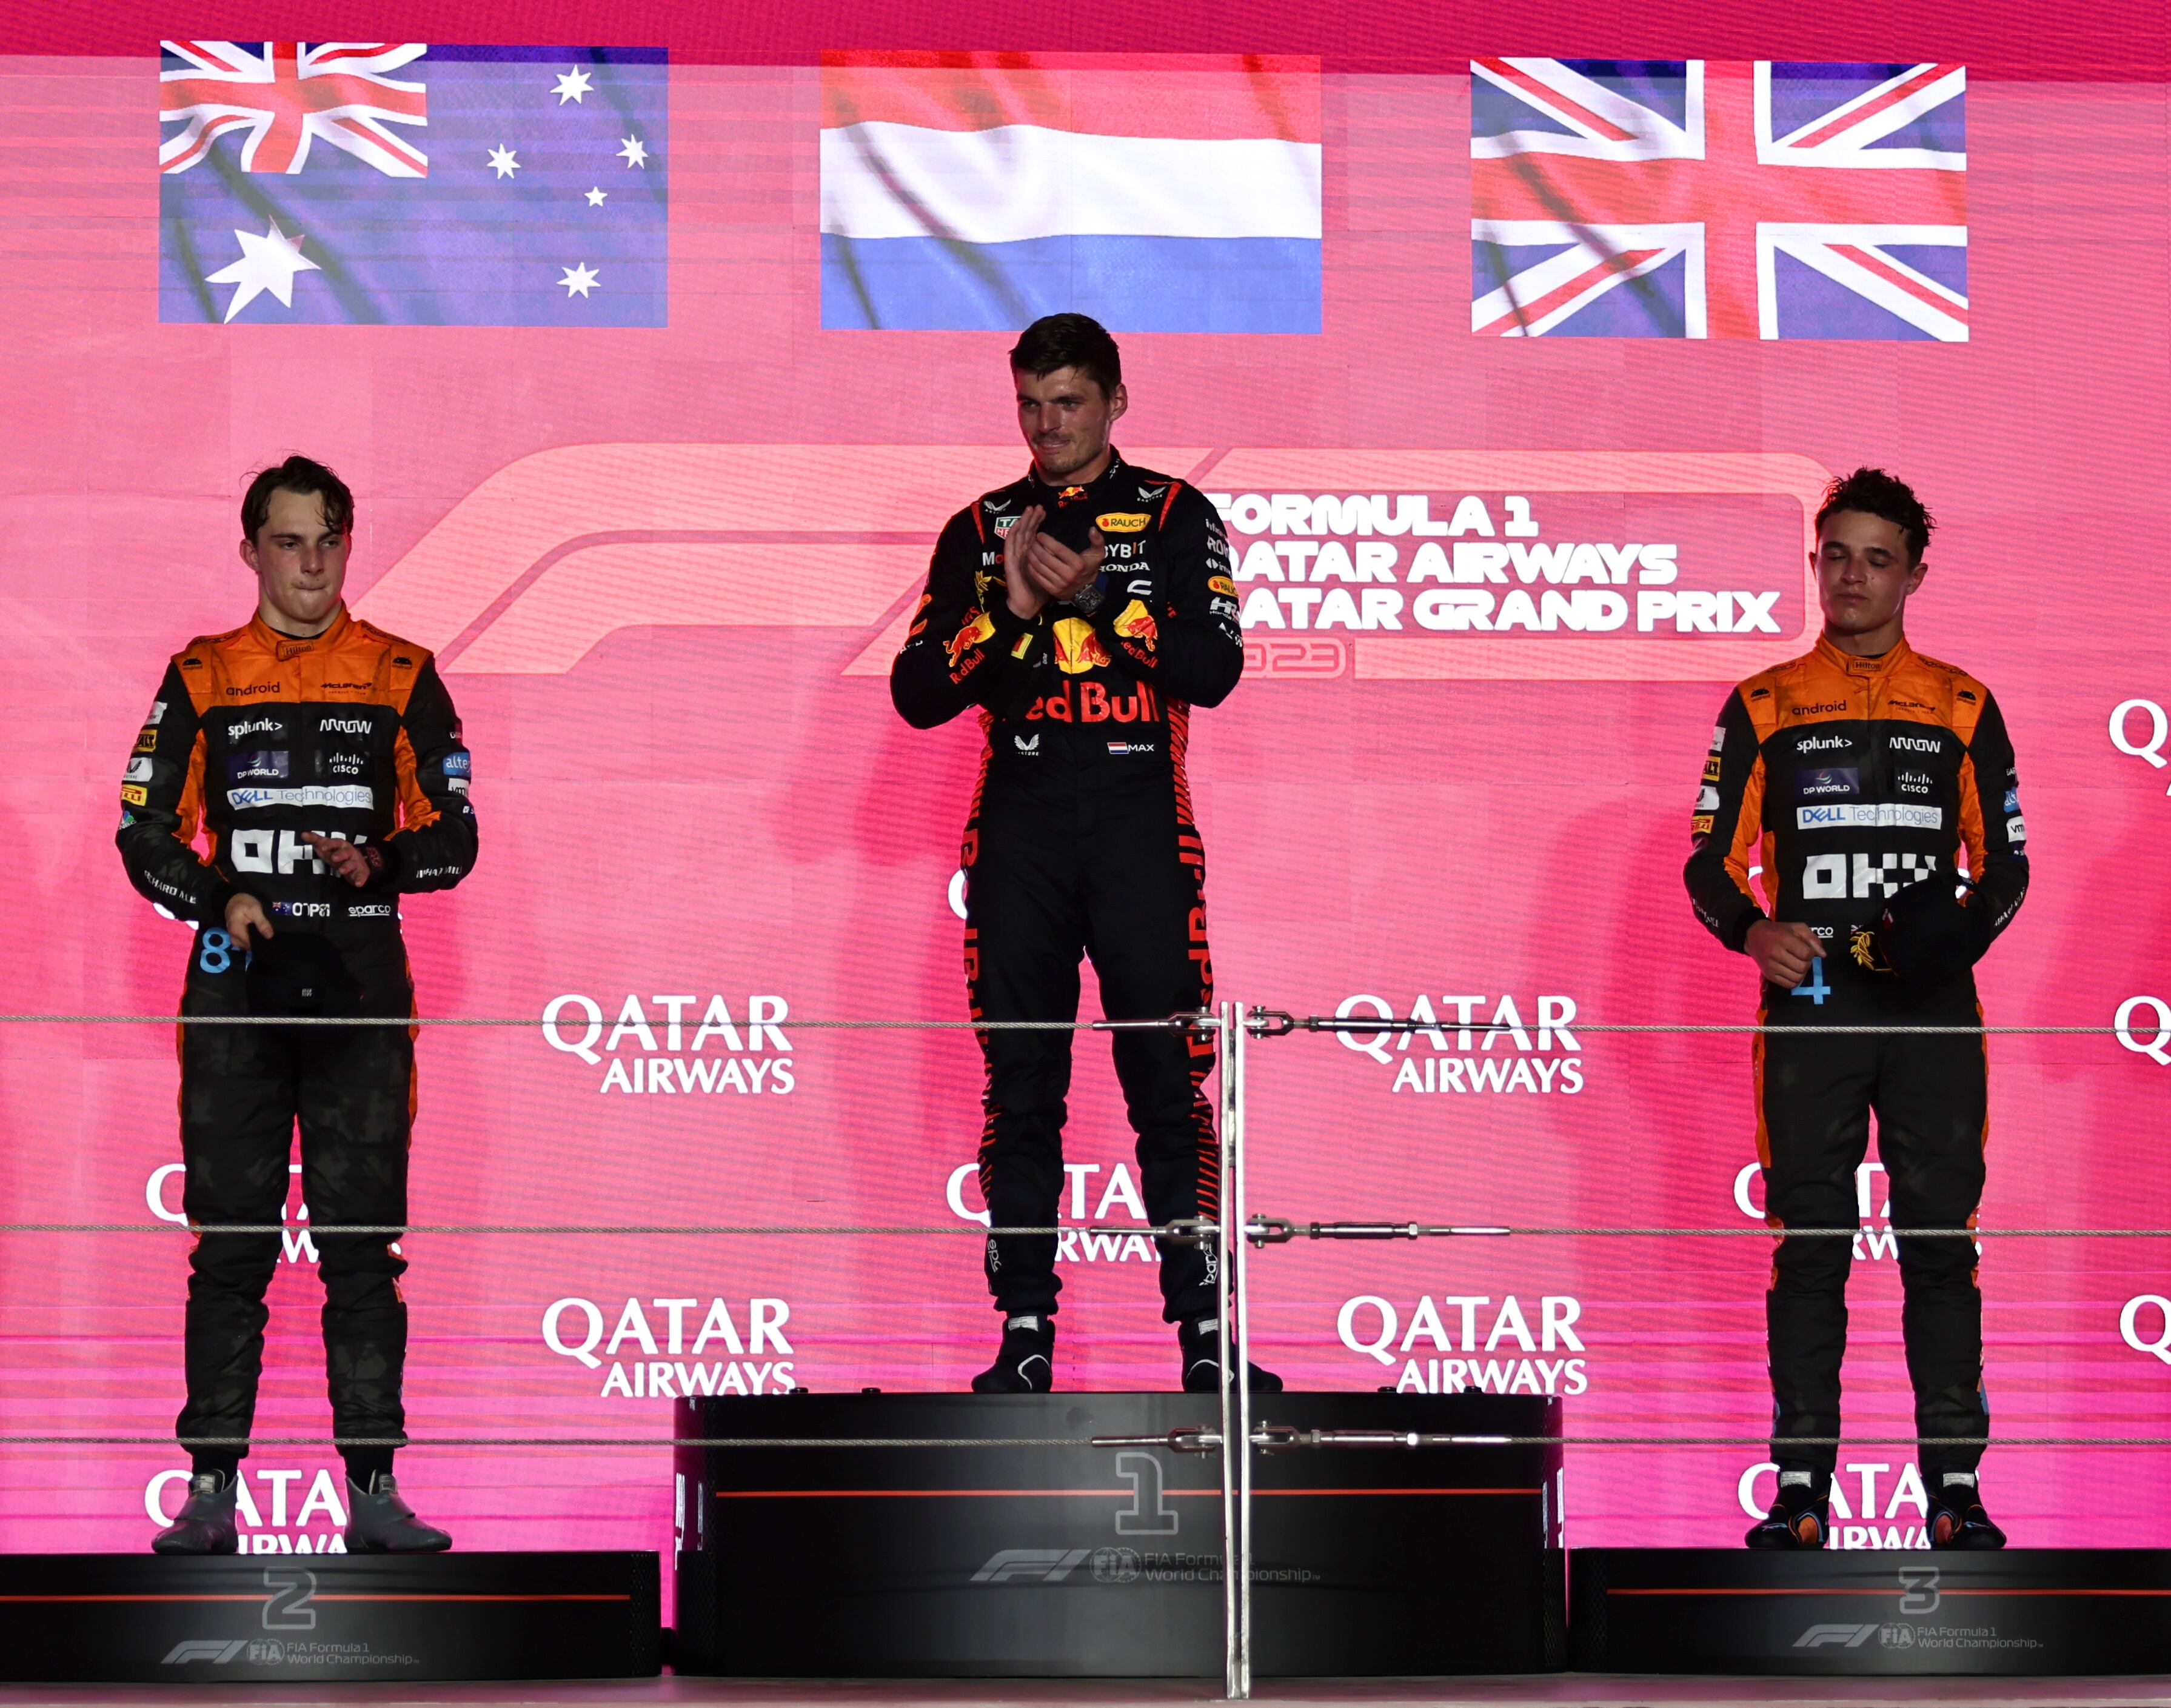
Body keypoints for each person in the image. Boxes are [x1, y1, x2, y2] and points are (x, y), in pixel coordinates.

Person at [891, 313, 1277, 1395]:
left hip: (1139, 828)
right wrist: (1011, 607)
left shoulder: (1170, 512)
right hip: (1015, 829)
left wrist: (1099, 598)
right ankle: (1022, 1338)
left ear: (1114, 401)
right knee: (1022, 1089)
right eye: (1028, 403)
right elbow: (915, 693)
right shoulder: (979, 526)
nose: (1046, 425)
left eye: (1066, 403)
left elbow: (1213, 670)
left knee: (1169, 1084)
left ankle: (1205, 1341)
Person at [118, 456, 477, 1553]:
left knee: (362, 1247)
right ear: (249, 551)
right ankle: (210, 1493)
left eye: (328, 539)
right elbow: (141, 831)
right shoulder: (202, 673)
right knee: (230, 1245)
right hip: (236, 986)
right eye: (288, 541)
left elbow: (457, 835)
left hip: (362, 993)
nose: (310, 563)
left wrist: (381, 860)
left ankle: (375, 1492)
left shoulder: (403, 670)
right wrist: (218, 893)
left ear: (348, 546)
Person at [1685, 468, 2026, 1550]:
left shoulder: (1962, 703)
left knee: (1938, 1249)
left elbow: (2008, 868)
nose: (1851, 576)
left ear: (1914, 574)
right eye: (1834, 554)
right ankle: (1797, 1499)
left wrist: (1946, 942)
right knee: (1810, 1250)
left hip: (1931, 1020)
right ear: (1814, 562)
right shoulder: (1763, 700)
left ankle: (1956, 1495)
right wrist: (1750, 930)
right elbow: (1705, 860)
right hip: (1813, 1017)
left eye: (1876, 558)